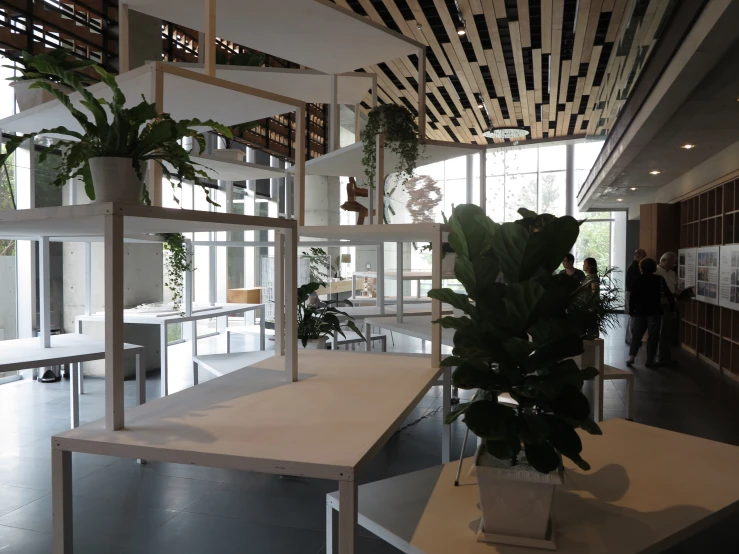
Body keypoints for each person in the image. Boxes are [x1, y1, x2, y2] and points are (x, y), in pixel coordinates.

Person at [627, 257, 675, 368]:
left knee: (637, 335)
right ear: (653, 267)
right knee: (653, 336)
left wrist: (631, 310)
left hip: (640, 312)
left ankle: (632, 357)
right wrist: (672, 308)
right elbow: (668, 295)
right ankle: (649, 360)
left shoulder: (637, 279)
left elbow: (633, 297)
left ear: (641, 268)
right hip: (655, 311)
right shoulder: (659, 279)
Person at [655, 252, 679, 366]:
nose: (674, 265)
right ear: (664, 260)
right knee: (662, 331)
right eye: (672, 263)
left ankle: (666, 357)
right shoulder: (655, 272)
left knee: (668, 332)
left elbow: (674, 287)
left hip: (671, 303)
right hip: (661, 305)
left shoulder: (672, 273)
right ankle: (660, 357)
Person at [625, 248, 647, 344]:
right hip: (631, 293)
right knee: (633, 316)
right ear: (638, 256)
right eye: (643, 257)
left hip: (630, 292)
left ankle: (630, 338)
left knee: (632, 316)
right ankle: (631, 339)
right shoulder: (635, 267)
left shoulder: (633, 265)